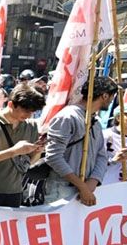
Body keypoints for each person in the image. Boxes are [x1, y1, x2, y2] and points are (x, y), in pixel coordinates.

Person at [43, 77, 118, 206]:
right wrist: (82, 187)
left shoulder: (96, 122)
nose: (112, 100)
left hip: (87, 190)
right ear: (105, 96)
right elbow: (53, 157)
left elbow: (101, 155)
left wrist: (92, 182)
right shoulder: (68, 117)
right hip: (62, 189)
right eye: (112, 96)